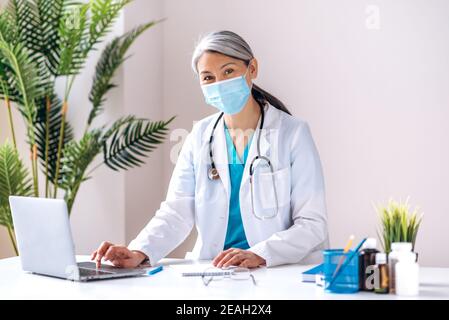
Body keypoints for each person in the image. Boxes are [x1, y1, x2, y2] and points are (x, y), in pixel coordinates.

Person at [91, 30, 328, 269]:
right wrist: (139, 250)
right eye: (208, 78)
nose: (220, 84)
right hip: (214, 271)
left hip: (276, 270)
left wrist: (260, 254)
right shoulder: (200, 135)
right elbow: (177, 211)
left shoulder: (293, 133)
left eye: (228, 71)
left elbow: (312, 222)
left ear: (252, 69)